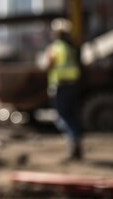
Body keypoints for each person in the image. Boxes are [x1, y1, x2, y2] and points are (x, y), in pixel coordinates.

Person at [44, 17, 83, 162]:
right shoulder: (73, 47)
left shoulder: (57, 47)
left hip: (61, 85)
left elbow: (49, 64)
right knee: (72, 115)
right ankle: (77, 143)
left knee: (63, 117)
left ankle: (73, 143)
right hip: (73, 85)